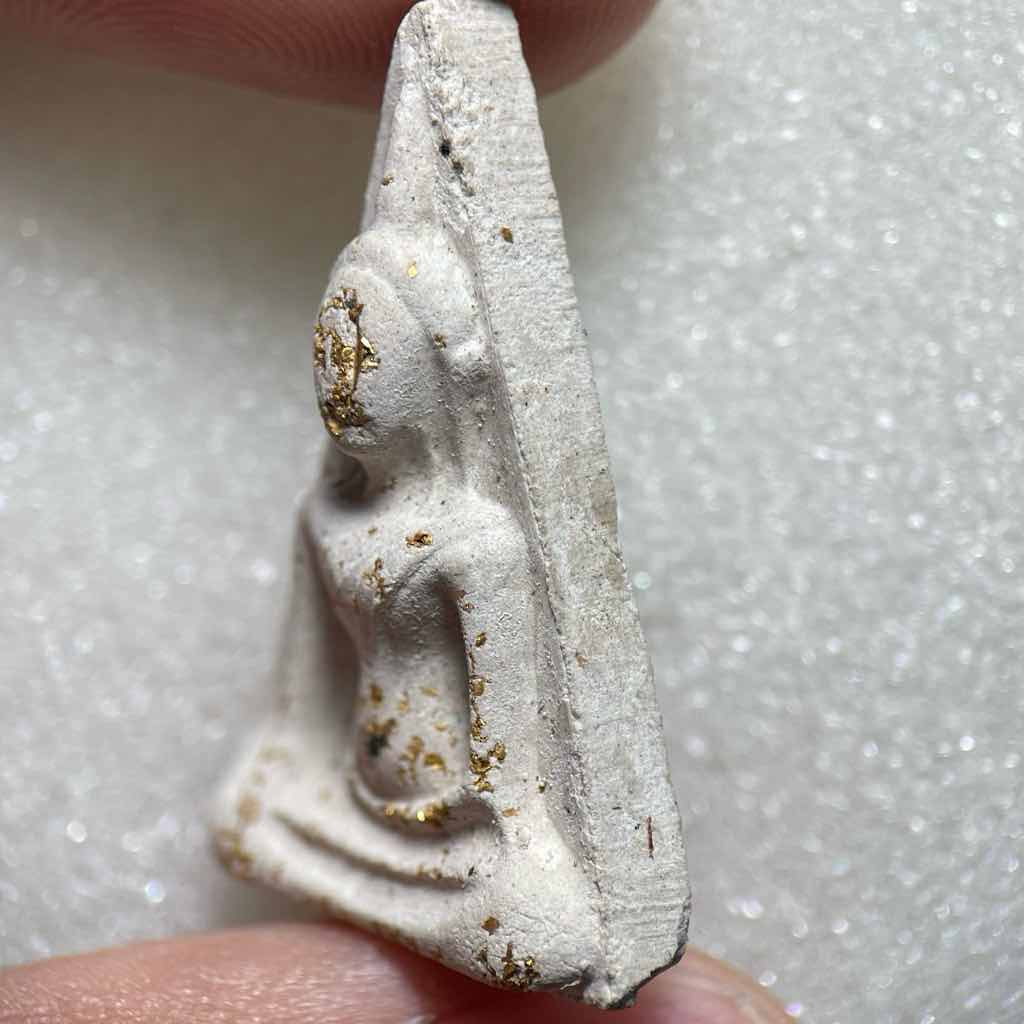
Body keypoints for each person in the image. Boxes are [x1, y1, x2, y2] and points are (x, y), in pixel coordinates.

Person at [0, 3, 792, 1020]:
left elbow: (509, 768)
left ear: (434, 375)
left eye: (366, 353)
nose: (342, 376)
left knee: (544, 926)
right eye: (331, 348)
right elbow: (300, 707)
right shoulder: (327, 519)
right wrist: (273, 775)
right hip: (353, 803)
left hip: (456, 828)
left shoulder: (477, 543)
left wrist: (506, 836)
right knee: (246, 821)